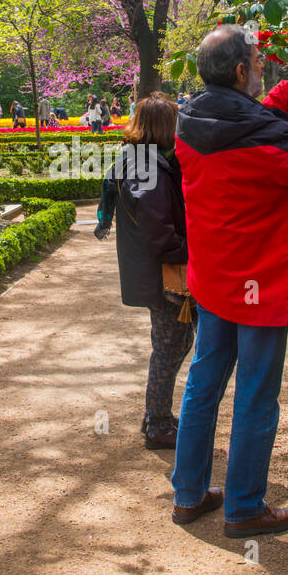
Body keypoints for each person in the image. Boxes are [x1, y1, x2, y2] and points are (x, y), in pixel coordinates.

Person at [169, 25, 288, 537]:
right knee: (256, 393)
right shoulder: (256, 136)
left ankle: (189, 495)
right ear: (239, 71)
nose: (262, 68)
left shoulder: (191, 118)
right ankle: (244, 508)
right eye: (257, 63)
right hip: (260, 283)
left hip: (216, 278)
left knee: (204, 384)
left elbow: (249, 125)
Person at [95, 93, 192, 449]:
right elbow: (156, 230)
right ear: (165, 127)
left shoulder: (143, 160)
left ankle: (156, 415)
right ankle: (158, 424)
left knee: (173, 344)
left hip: (157, 269)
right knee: (169, 346)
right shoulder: (146, 165)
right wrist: (188, 251)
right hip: (163, 274)